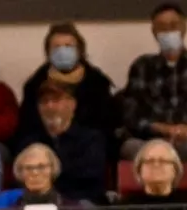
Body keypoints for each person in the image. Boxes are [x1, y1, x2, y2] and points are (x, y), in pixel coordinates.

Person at [119, 3, 187, 161]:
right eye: (161, 27)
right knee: (131, 148)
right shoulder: (142, 66)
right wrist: (163, 129)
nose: (168, 31)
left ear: (184, 28)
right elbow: (130, 116)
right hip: (152, 140)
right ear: (154, 32)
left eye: (173, 25)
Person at [15, 23, 119, 153]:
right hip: (44, 147)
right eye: (56, 47)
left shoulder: (97, 84)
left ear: (80, 50)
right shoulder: (34, 85)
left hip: (86, 146)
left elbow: (106, 126)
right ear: (48, 52)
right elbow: (27, 126)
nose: (62, 51)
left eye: (68, 46)